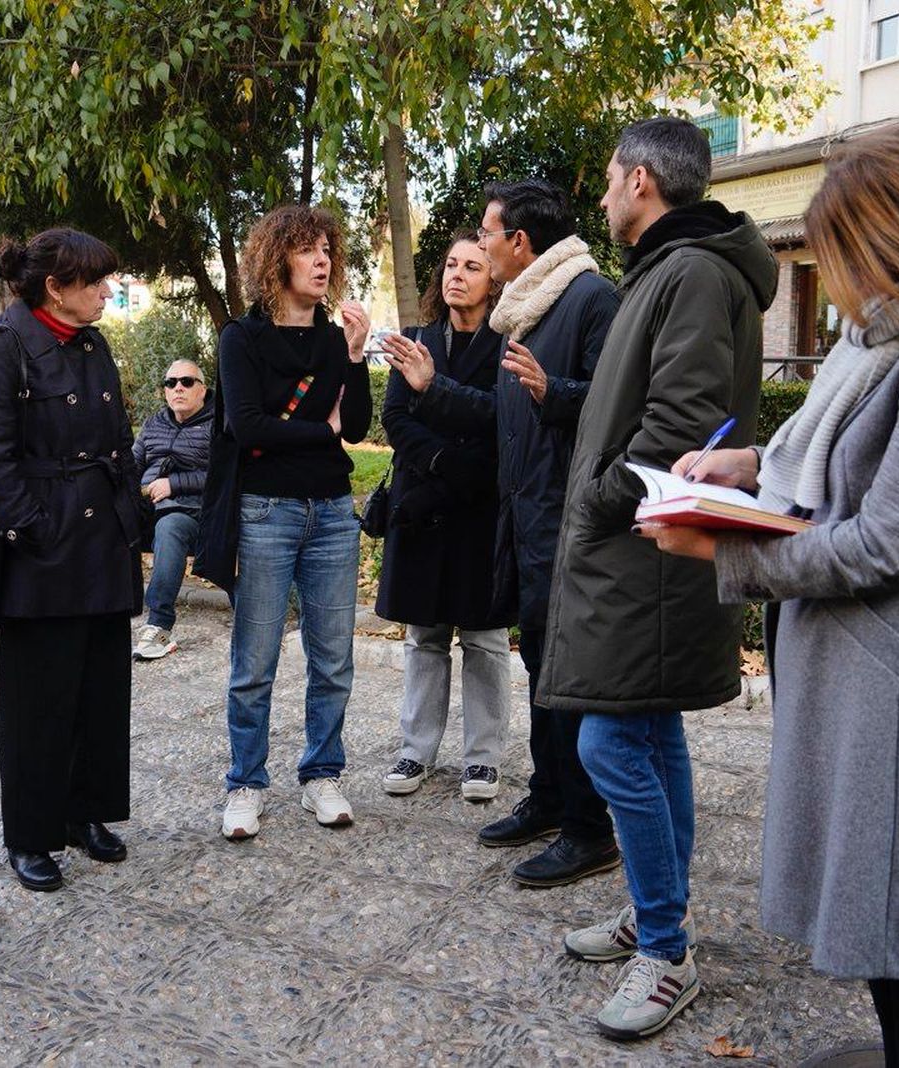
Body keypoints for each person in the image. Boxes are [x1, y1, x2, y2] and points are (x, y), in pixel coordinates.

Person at [643, 125, 899, 1068]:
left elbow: (885, 543)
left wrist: (720, 548)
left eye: (839, 258)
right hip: (889, 683)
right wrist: (752, 465)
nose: (832, 283)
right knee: (891, 925)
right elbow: (856, 452)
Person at [542, 117, 776, 1040]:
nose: (603, 198)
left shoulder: (687, 271)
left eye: (607, 181)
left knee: (609, 748)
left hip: (646, 549)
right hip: (646, 552)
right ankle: (656, 912)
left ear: (641, 182)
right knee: (648, 732)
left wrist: (601, 500)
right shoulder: (683, 268)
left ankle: (668, 949)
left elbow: (682, 420)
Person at [417, 179, 620, 887]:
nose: (478, 243)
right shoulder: (528, 312)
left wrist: (556, 393)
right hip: (528, 521)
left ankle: (591, 829)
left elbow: (626, 408)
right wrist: (430, 386)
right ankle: (551, 798)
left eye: (487, 233)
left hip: (571, 524)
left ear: (520, 244)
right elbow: (505, 415)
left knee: (568, 679)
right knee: (541, 671)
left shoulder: (591, 300)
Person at [0, 229, 146, 892]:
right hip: (46, 549)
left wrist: (130, 513)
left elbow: (119, 438)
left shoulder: (92, 344)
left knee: (100, 691)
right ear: (54, 288)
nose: (104, 292)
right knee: (39, 701)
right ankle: (31, 835)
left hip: (104, 543)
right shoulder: (1, 350)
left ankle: (86, 813)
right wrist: (36, 526)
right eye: (94, 282)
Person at [194, 204, 373, 840]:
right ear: (278, 261)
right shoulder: (241, 339)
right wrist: (314, 432)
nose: (322, 260)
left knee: (333, 659)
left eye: (328, 249)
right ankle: (245, 783)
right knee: (255, 659)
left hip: (331, 512)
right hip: (265, 511)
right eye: (307, 249)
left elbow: (351, 429)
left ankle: (323, 773)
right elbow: (245, 427)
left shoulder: (331, 339)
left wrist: (353, 356)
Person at [374, 230, 512, 803]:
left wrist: (457, 458)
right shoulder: (416, 338)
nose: (457, 274)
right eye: (451, 264)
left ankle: (483, 759)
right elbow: (395, 415)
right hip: (421, 506)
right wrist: (438, 456)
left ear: (492, 281)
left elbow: (500, 422)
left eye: (472, 266)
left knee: (484, 640)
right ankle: (416, 750)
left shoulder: (508, 346)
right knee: (423, 636)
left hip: (479, 511)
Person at [131, 358, 213, 660]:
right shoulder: (156, 423)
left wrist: (174, 484)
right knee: (97, 518)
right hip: (147, 507)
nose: (178, 388)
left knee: (170, 527)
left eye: (187, 382)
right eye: (171, 383)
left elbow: (223, 475)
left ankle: (159, 626)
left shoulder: (217, 424)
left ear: (202, 390)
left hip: (191, 512)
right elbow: (132, 465)